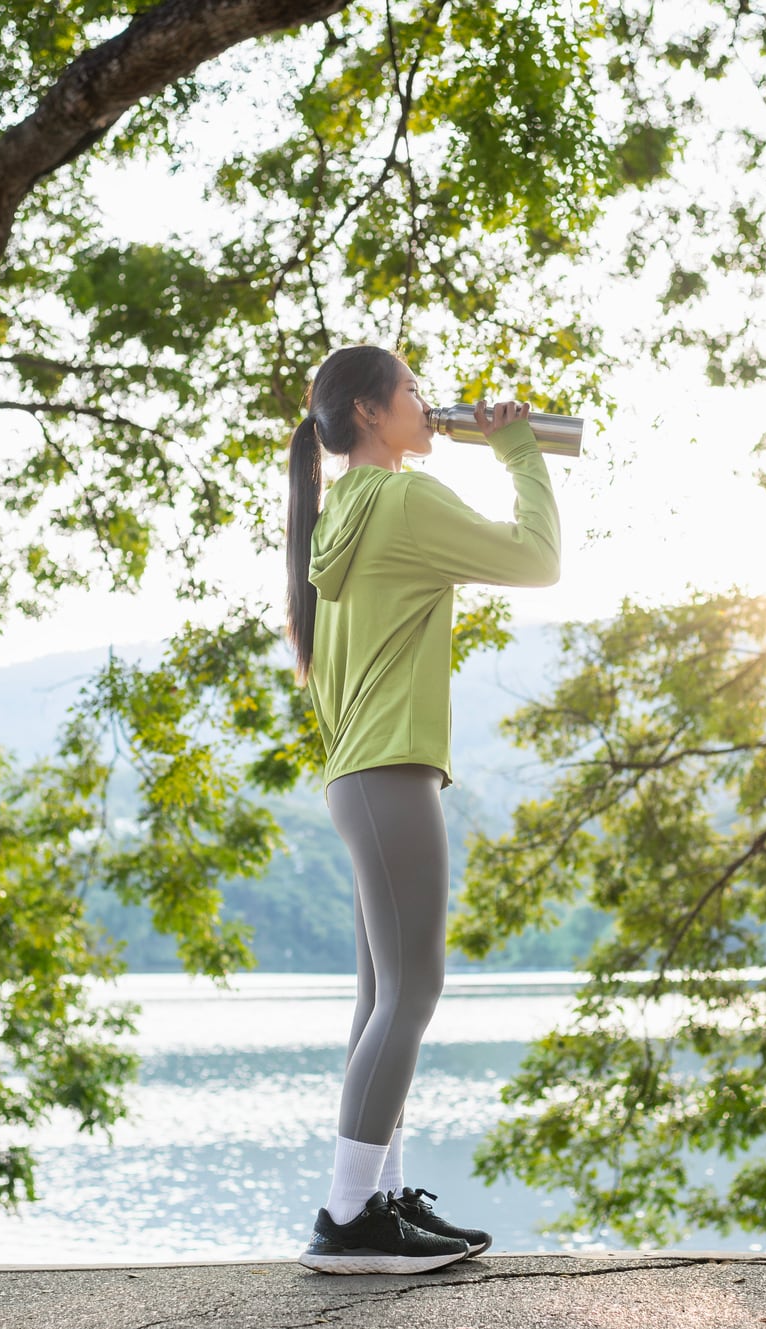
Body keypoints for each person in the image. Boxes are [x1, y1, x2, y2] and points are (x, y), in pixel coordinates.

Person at [283, 344, 561, 1275]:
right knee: (413, 991)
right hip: (389, 770)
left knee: (380, 999)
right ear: (367, 412)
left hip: (356, 775)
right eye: (411, 390)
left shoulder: (340, 516)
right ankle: (346, 1218)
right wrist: (518, 449)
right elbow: (536, 560)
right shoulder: (399, 499)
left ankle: (375, 1200)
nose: (425, 401)